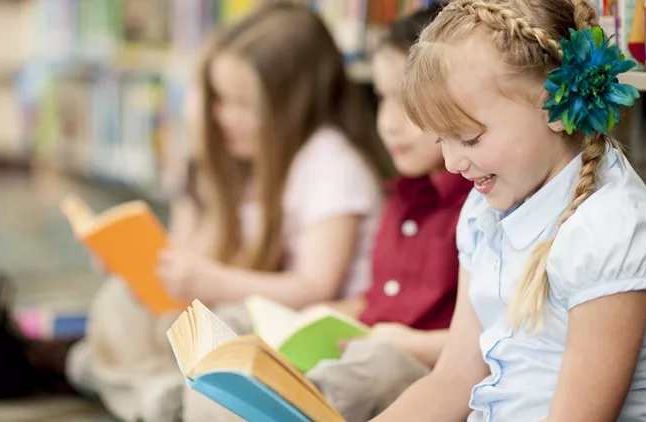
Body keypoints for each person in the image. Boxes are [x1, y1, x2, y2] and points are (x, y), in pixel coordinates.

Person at [0, 3, 394, 422]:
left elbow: (314, 288)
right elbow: (194, 258)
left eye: (243, 104)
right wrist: (135, 263)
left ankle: (101, 378)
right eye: (219, 100)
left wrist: (211, 280)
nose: (224, 117)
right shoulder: (249, 159)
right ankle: (108, 378)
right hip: (243, 316)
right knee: (122, 305)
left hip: (295, 331)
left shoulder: (331, 167)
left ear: (296, 102)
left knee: (163, 339)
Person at [371, 0, 646, 420]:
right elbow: (454, 379)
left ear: (554, 107)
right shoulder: (483, 210)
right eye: (440, 141)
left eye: (468, 139)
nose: (451, 163)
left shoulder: (611, 233)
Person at [182, 4, 473, 422]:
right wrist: (314, 320)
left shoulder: (473, 208)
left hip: (411, 365)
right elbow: (378, 299)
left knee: (372, 370)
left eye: (407, 103)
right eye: (382, 100)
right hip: (364, 343)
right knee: (232, 325)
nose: (388, 123)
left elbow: (477, 347)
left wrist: (398, 342)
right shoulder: (401, 198)